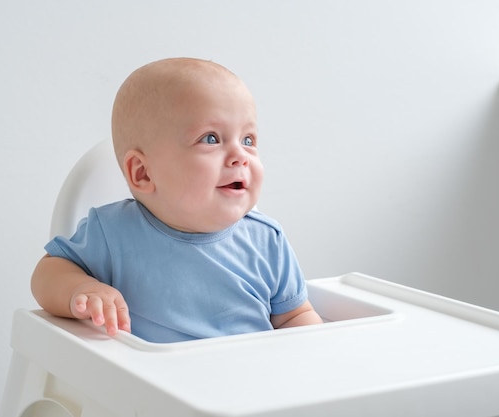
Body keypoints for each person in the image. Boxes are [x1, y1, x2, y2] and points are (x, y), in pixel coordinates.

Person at [31, 57, 323, 343]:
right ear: (143, 173)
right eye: (211, 139)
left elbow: (294, 317)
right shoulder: (112, 233)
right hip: (150, 387)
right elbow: (47, 275)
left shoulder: (267, 241)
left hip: (252, 383)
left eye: (248, 140)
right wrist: (82, 289)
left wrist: (315, 354)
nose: (240, 156)